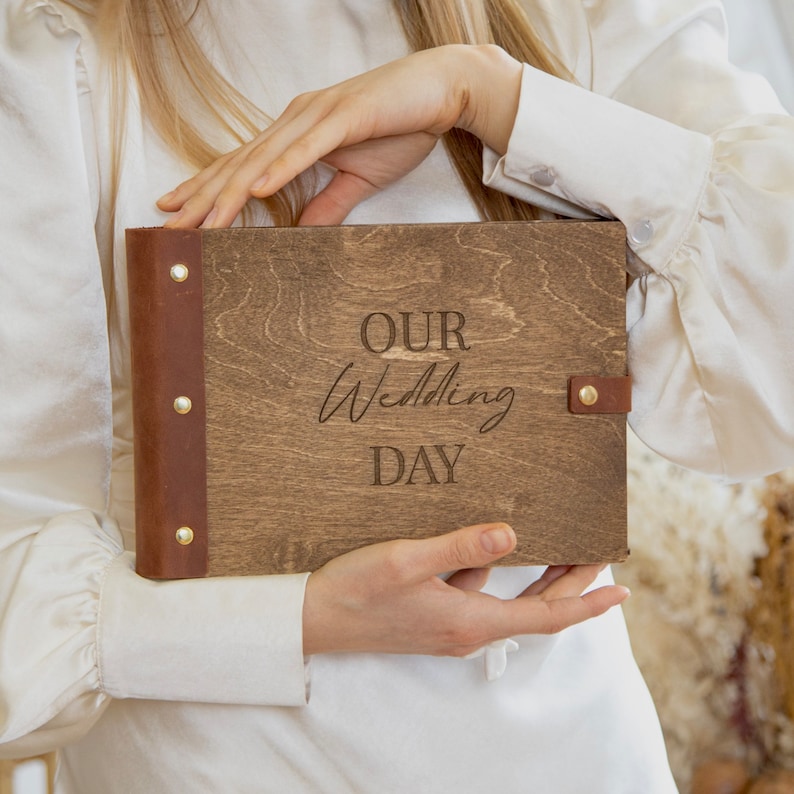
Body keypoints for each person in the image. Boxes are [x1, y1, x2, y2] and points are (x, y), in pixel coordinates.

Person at [1, 0, 792, 791]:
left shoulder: (582, 16)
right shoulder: (56, 57)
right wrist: (299, 621)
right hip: (221, 765)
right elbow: (17, 569)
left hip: (571, 752)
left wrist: (494, 96)